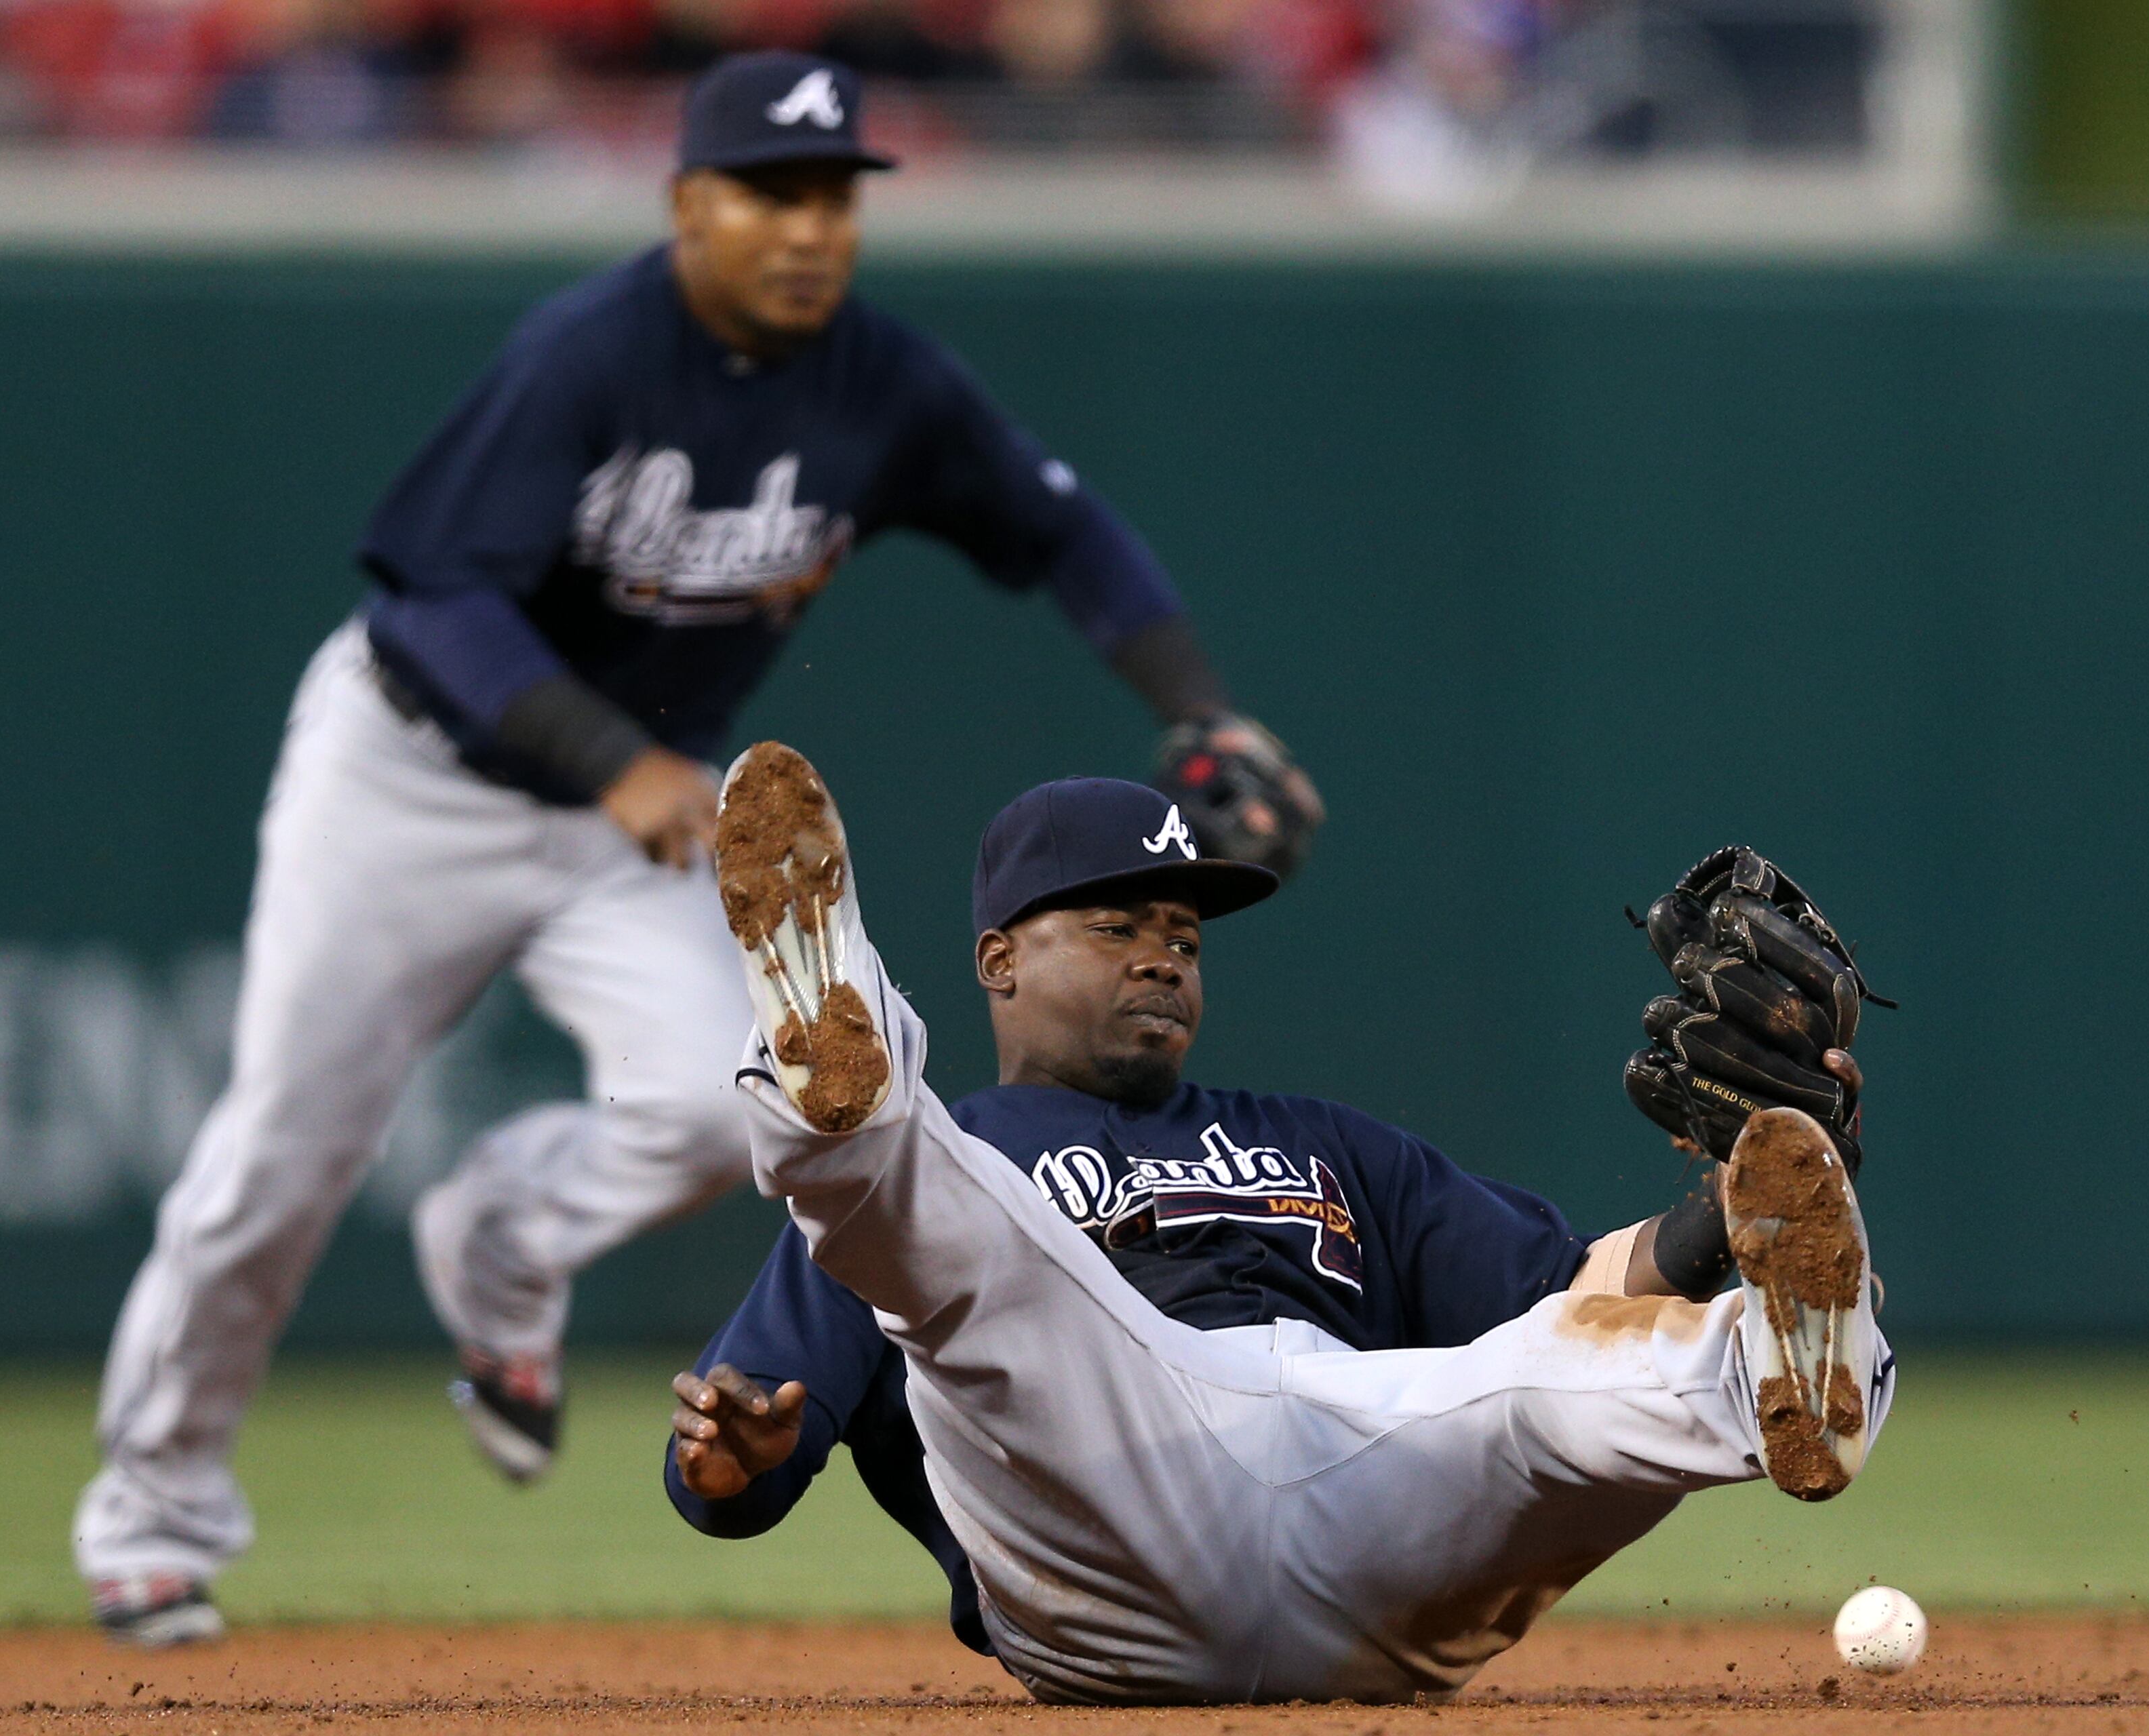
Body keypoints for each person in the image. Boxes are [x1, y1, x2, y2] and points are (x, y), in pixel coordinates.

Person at [72, 49, 1320, 1646]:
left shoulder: (883, 383)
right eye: (769, 193)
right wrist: (612, 762)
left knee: (718, 1098)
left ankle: (504, 1234)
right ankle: (151, 1523)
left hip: (639, 795)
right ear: (686, 206)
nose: (808, 229)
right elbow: (432, 602)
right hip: (415, 775)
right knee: (284, 1154)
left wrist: (1198, 710)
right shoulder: (589, 356)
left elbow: (1058, 527)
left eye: (833, 196)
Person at [675, 747, 1891, 1704]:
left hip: (1369, 1529)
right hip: (1096, 1542)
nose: (1162, 958)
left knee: (1541, 1385)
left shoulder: (1324, 1139)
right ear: (999, 959)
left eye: (1184, 939)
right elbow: (729, 1479)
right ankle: (835, 1069)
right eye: (1117, 928)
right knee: (962, 1230)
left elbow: (1574, 1290)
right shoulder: (975, 1164)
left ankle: (1777, 1367)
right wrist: (731, 1460)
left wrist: (1736, 1207)